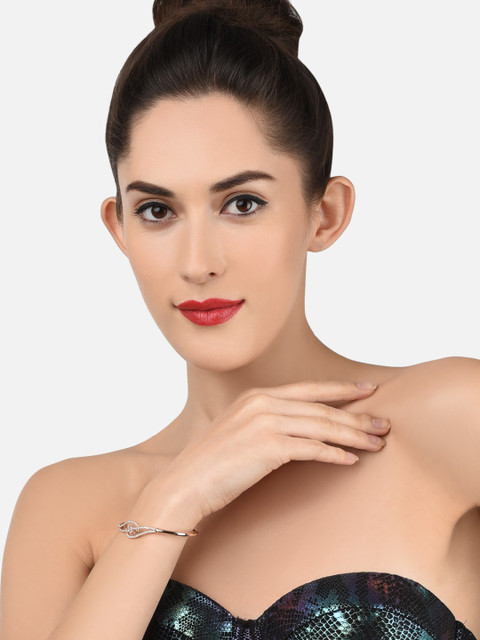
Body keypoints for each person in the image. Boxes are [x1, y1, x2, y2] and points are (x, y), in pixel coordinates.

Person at [1, 0, 479, 638]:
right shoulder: (65, 507)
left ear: (325, 214)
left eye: (242, 203)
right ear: (119, 229)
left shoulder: (452, 419)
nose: (198, 263)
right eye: (157, 211)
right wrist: (173, 499)